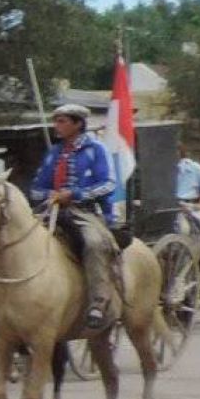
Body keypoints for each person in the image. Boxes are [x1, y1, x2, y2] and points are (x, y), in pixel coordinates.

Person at [30, 104, 118, 331]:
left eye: (62, 121)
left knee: (94, 243)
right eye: (56, 121)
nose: (56, 126)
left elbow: (108, 184)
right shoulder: (54, 152)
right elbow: (36, 189)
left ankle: (98, 301)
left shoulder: (96, 149)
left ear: (78, 123)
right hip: (50, 209)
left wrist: (76, 194)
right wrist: (50, 194)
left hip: (84, 211)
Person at [176, 143, 200, 258]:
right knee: (183, 230)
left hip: (192, 205)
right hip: (173, 206)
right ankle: (180, 256)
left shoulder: (195, 168)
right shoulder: (164, 168)